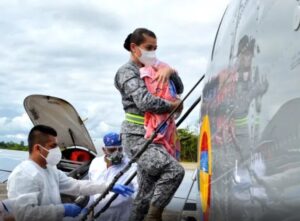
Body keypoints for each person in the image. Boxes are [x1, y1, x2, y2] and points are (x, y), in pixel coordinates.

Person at [114, 28, 185, 221]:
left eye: (155, 48)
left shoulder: (156, 67)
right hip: (137, 137)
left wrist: (170, 71)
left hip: (156, 136)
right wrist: (173, 105)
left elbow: (178, 87)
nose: (153, 52)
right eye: (148, 47)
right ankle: (154, 216)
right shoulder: (126, 72)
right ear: (134, 48)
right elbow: (144, 101)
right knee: (174, 170)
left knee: (144, 197)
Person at [7, 125, 134, 221]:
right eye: (53, 146)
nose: (57, 150)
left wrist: (108, 186)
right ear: (37, 148)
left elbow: (77, 186)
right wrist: (63, 210)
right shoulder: (24, 174)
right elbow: (24, 214)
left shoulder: (51, 170)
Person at [88, 132, 138, 221]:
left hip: (122, 213)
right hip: (98, 211)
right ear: (104, 150)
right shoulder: (95, 163)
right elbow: (90, 186)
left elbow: (138, 189)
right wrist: (89, 208)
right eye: (112, 150)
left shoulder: (131, 165)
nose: (117, 153)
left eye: (120, 149)